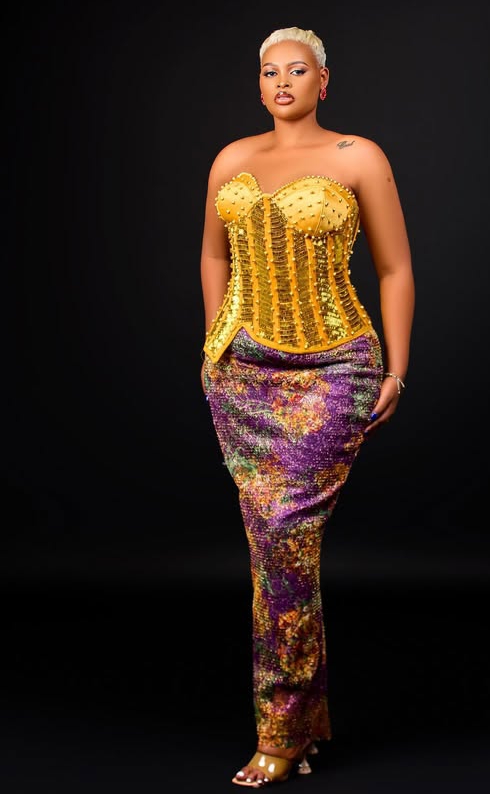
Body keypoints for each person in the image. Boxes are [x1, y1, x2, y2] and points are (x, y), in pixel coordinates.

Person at [199, 25, 415, 788]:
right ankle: (303, 722)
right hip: (242, 373)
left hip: (331, 366)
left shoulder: (358, 157)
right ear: (258, 84)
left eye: (297, 70)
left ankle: (281, 732)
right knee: (273, 547)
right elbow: (214, 254)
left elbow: (394, 267)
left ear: (324, 81)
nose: (282, 82)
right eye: (269, 71)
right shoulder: (232, 157)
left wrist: (396, 370)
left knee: (285, 540)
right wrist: (215, 343)